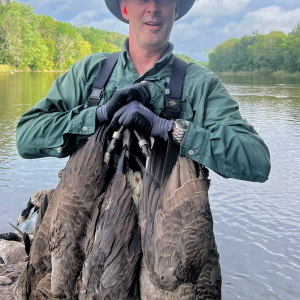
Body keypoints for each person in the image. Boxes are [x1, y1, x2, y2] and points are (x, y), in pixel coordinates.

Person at [16, 0, 271, 182]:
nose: (153, 8)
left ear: (176, 9)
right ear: (125, 8)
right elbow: (25, 137)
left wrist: (172, 129)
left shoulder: (201, 84)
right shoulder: (89, 71)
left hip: (165, 235)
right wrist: (98, 115)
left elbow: (257, 163)